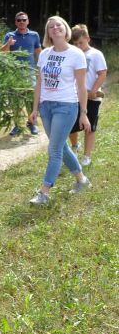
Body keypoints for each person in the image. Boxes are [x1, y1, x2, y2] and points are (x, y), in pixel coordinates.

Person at [28, 16, 91, 205]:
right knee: (61, 146)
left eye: (59, 25)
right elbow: (39, 83)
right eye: (51, 26)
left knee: (54, 149)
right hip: (46, 106)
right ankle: (82, 180)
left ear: (65, 29)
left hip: (66, 106)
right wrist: (35, 108)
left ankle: (44, 192)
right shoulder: (44, 54)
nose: (55, 28)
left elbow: (81, 87)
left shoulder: (76, 54)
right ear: (48, 32)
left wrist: (83, 113)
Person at [68, 24, 107, 166]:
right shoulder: (72, 54)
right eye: (75, 44)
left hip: (92, 97)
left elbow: (102, 74)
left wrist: (93, 91)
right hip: (74, 96)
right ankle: (75, 146)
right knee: (71, 125)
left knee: (89, 126)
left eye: (81, 43)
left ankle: (86, 156)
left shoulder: (96, 54)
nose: (78, 46)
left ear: (88, 39)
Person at [1, 11, 42, 136]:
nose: (22, 22)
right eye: (19, 20)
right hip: (14, 72)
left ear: (28, 21)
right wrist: (8, 44)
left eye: (24, 20)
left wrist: (41, 68)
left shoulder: (34, 35)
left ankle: (32, 124)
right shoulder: (10, 35)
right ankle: (17, 125)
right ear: (15, 22)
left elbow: (38, 52)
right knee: (16, 100)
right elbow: (2, 52)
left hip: (29, 71)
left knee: (30, 99)